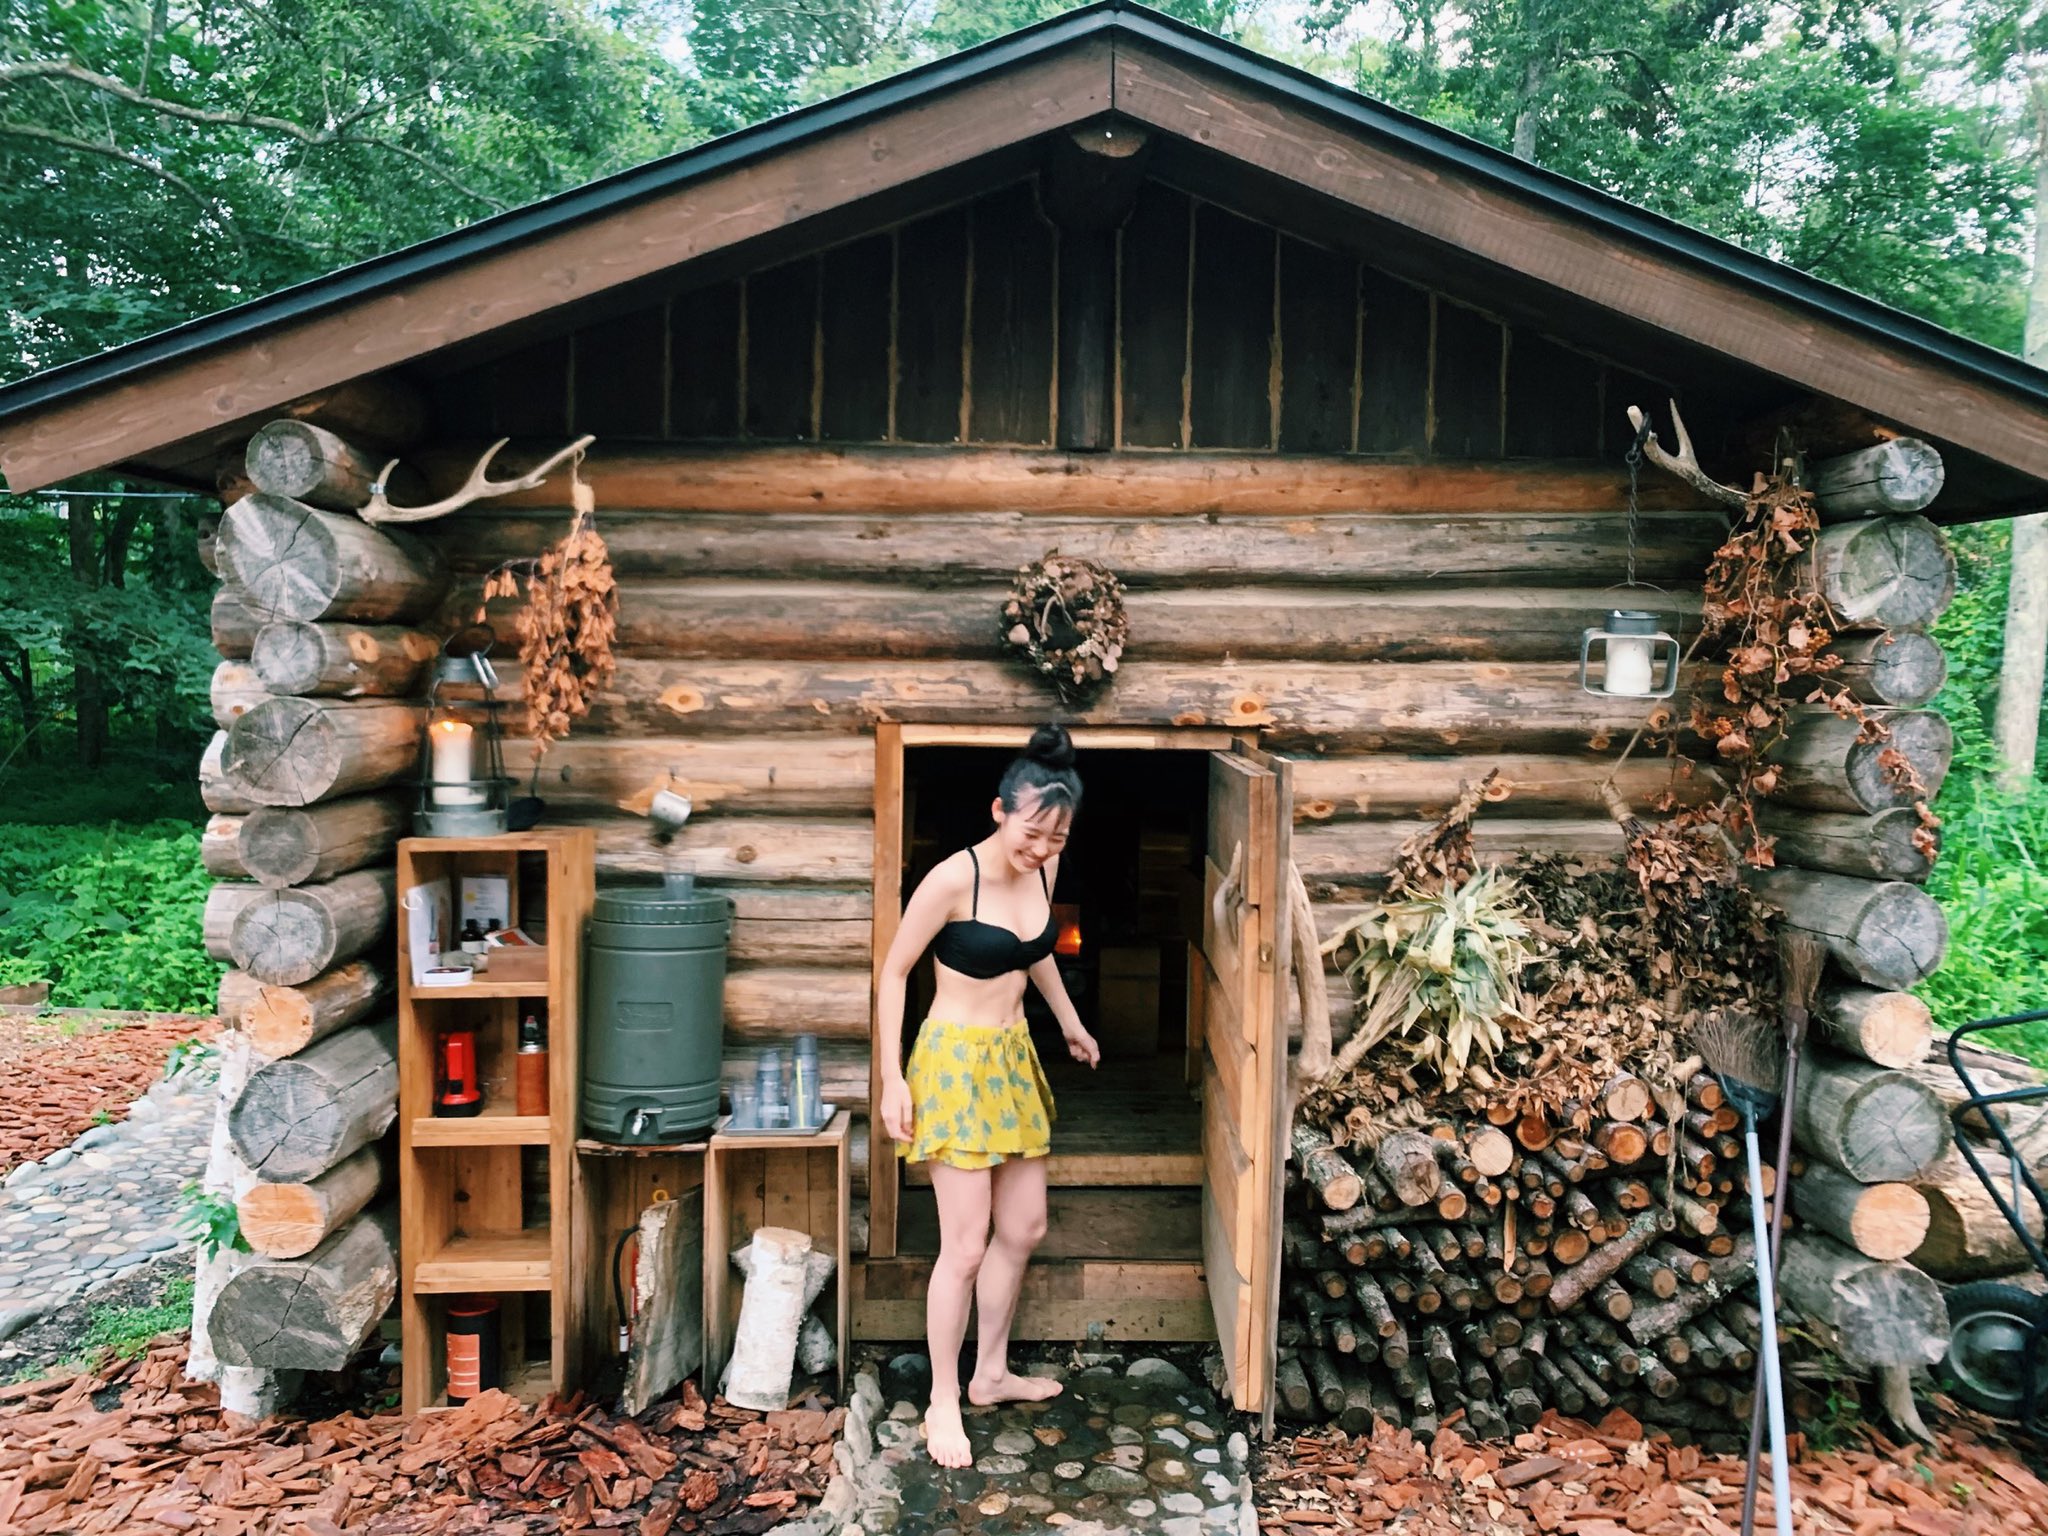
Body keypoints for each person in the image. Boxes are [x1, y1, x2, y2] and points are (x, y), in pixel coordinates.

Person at [876, 723, 1100, 1468]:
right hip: (952, 1064)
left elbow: (1034, 955)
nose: (1041, 849)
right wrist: (891, 1077)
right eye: (1031, 834)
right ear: (1000, 811)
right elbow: (893, 973)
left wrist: (1069, 1023)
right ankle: (943, 1399)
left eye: (1056, 839)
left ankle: (992, 1373)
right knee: (965, 1245)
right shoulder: (952, 879)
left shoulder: (1044, 869)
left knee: (1025, 1227)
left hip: (1013, 1060)